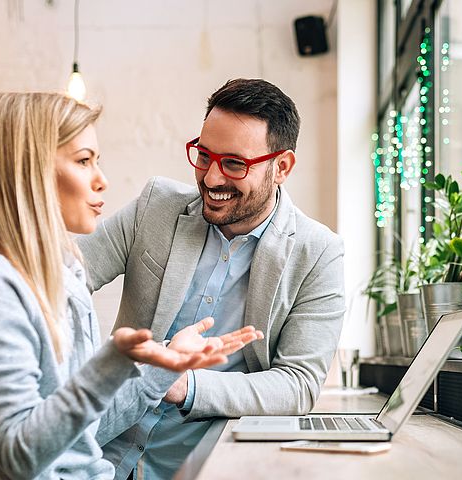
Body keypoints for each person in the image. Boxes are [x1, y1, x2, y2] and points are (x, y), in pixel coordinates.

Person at [0, 92, 262, 480]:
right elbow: (20, 453)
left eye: (97, 160)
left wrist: (165, 367)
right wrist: (108, 365)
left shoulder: (62, 270)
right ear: (28, 171)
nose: (102, 180)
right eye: (83, 161)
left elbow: (83, 432)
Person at [77, 78, 346, 479]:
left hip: (206, 464)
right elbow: (62, 277)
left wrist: (183, 384)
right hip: (106, 456)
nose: (212, 178)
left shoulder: (318, 252)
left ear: (282, 167)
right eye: (204, 156)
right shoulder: (156, 208)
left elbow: (298, 385)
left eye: (235, 164)